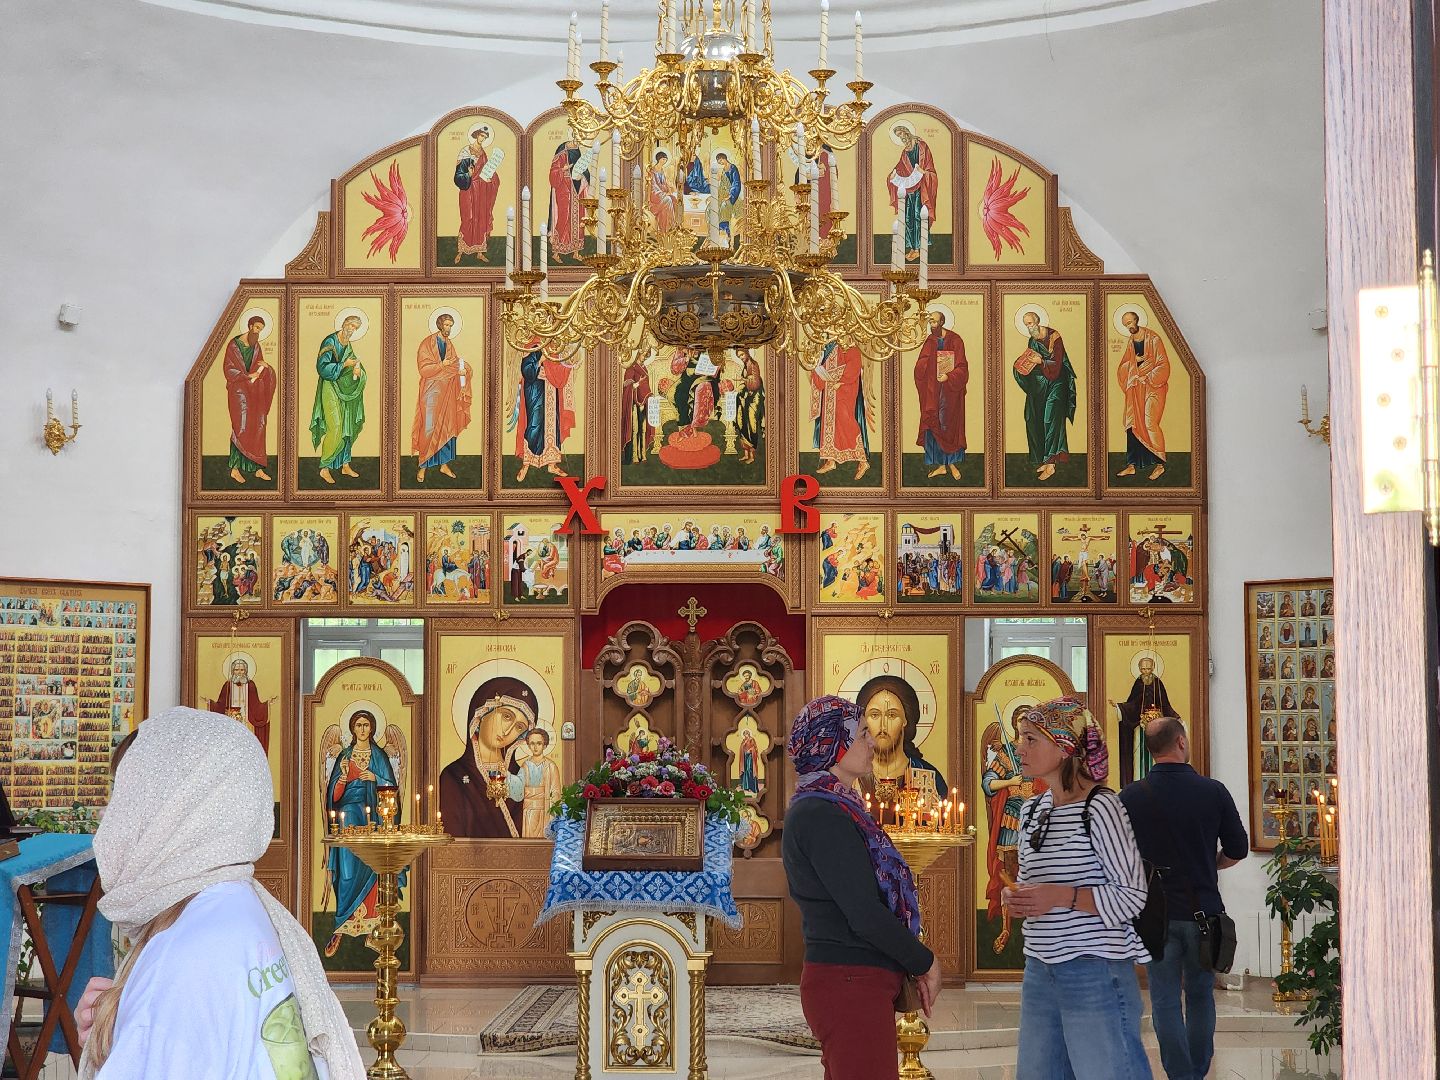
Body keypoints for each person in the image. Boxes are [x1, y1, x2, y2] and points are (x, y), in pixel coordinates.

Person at [74, 708, 362, 1079]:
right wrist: (126, 1023)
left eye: (124, 794)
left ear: (168, 810)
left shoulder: (184, 956)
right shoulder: (235, 907)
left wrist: (146, 1014)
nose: (109, 816)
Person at [782, 696, 941, 1080]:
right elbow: (864, 914)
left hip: (853, 979)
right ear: (833, 746)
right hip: (849, 981)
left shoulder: (834, 806)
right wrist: (924, 962)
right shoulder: (821, 813)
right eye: (860, 735)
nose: (871, 742)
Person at [1003, 697, 1151, 1079]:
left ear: (1064, 746)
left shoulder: (1101, 807)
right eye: (1021, 738)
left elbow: (1133, 896)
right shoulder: (1033, 809)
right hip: (1040, 968)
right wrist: (1017, 898)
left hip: (1094, 969)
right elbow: (1032, 883)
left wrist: (1061, 896)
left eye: (1031, 739)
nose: (1020, 748)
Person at [1121, 717, 1248, 1080]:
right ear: (1181, 741)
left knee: (1163, 999)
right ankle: (1196, 1071)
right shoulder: (1213, 791)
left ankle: (1179, 1074)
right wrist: (1211, 866)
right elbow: (1237, 848)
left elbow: (1121, 857)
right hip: (1204, 913)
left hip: (1155, 917)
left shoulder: (1130, 796)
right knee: (1200, 995)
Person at [322, 710, 404, 958]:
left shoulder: (378, 756)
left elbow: (391, 789)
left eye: (366, 725)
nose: (362, 729)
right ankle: (340, 927)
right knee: (346, 873)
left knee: (371, 868)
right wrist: (343, 779)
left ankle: (373, 928)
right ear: (352, 728)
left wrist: (375, 777)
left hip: (373, 818)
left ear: (372, 728)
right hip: (348, 817)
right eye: (358, 725)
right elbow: (332, 797)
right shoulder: (345, 756)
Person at [439, 677, 535, 838]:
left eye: (519, 727)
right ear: (482, 712)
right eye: (506, 716)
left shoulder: (521, 777)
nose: (507, 731)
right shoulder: (454, 776)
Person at [853, 674, 948, 800]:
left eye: (891, 715)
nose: (883, 725)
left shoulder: (928, 776)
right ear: (864, 721)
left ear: (905, 720)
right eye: (874, 715)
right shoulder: (851, 776)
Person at [1013, 309, 1077, 483]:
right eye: (1026, 324)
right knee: (1032, 416)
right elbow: (1030, 359)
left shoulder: (1054, 337)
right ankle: (1044, 458)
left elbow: (1057, 364)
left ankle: (1051, 464)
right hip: (1043, 384)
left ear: (1038, 321)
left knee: (1051, 419)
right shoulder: (1032, 340)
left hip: (1058, 383)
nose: (1029, 327)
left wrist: (1041, 361)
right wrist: (1021, 365)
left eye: (1030, 323)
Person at [410, 312, 473, 483]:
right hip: (431, 392)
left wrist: (463, 370)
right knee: (429, 428)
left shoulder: (449, 344)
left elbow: (453, 364)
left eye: (451, 326)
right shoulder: (427, 344)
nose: (449, 329)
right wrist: (440, 365)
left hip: (447, 393)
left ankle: (444, 464)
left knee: (447, 427)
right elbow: (423, 369)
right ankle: (423, 465)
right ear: (439, 325)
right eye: (446, 325)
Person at [309, 314, 367, 485]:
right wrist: (344, 365)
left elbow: (353, 363)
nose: (351, 329)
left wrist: (358, 370)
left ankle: (345, 464)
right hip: (329, 386)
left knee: (347, 424)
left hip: (343, 388)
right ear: (343, 324)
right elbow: (322, 368)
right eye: (350, 325)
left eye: (355, 328)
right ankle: (325, 468)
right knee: (335, 426)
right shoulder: (330, 342)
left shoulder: (348, 344)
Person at [1115, 309, 1171, 481]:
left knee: (1149, 422)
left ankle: (1159, 464)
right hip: (1136, 389)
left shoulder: (1153, 339)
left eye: (1130, 322)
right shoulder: (1131, 342)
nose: (1129, 326)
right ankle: (1132, 465)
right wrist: (1134, 364)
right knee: (1132, 424)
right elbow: (1124, 366)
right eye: (1125, 325)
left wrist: (1147, 376)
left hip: (1153, 388)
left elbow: (1163, 365)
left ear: (1137, 320)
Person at [914, 308, 968, 480]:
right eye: (930, 322)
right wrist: (925, 367)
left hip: (950, 393)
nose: (932, 325)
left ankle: (952, 464)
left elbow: (963, 368)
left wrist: (949, 376)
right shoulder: (930, 341)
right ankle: (941, 466)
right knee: (933, 423)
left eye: (934, 321)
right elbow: (921, 364)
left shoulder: (956, 340)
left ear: (942, 322)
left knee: (949, 425)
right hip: (932, 391)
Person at [223, 314, 276, 485]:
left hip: (254, 391)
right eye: (257, 327)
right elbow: (228, 370)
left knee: (259, 425)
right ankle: (235, 469)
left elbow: (259, 367)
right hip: (238, 391)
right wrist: (246, 376)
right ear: (250, 325)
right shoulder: (234, 345)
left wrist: (266, 369)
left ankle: (257, 468)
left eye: (261, 329)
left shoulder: (256, 346)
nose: (258, 331)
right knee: (242, 427)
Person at [810, 340, 871, 480]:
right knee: (831, 423)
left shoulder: (853, 349)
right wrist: (817, 370)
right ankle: (831, 460)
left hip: (845, 391)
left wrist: (841, 381)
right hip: (831, 393)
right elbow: (824, 368)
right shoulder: (832, 348)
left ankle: (863, 461)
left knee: (846, 421)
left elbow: (853, 369)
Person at [887, 122, 938, 262]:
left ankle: (920, 248)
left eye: (902, 134)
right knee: (908, 219)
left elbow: (931, 170)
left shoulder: (922, 147)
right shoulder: (904, 153)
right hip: (910, 192)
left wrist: (925, 173)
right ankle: (913, 248)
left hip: (922, 190)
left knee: (918, 216)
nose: (902, 138)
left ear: (907, 132)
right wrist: (891, 176)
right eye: (899, 137)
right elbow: (899, 169)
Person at [454, 123, 501, 262]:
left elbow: (488, 172)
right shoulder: (465, 151)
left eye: (485, 137)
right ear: (476, 135)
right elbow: (458, 174)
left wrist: (491, 179)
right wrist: (468, 174)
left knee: (480, 218)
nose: (483, 138)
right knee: (467, 218)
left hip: (481, 191)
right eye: (481, 135)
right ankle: (461, 250)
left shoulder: (483, 153)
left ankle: (480, 252)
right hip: (468, 189)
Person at [207, 657, 272, 753]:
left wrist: (267, 704)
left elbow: (256, 705)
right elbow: (220, 705)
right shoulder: (228, 685)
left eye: (242, 670)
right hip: (231, 722)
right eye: (236, 670)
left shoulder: (250, 685)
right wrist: (210, 703)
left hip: (247, 722)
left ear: (246, 671)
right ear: (233, 671)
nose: (239, 672)